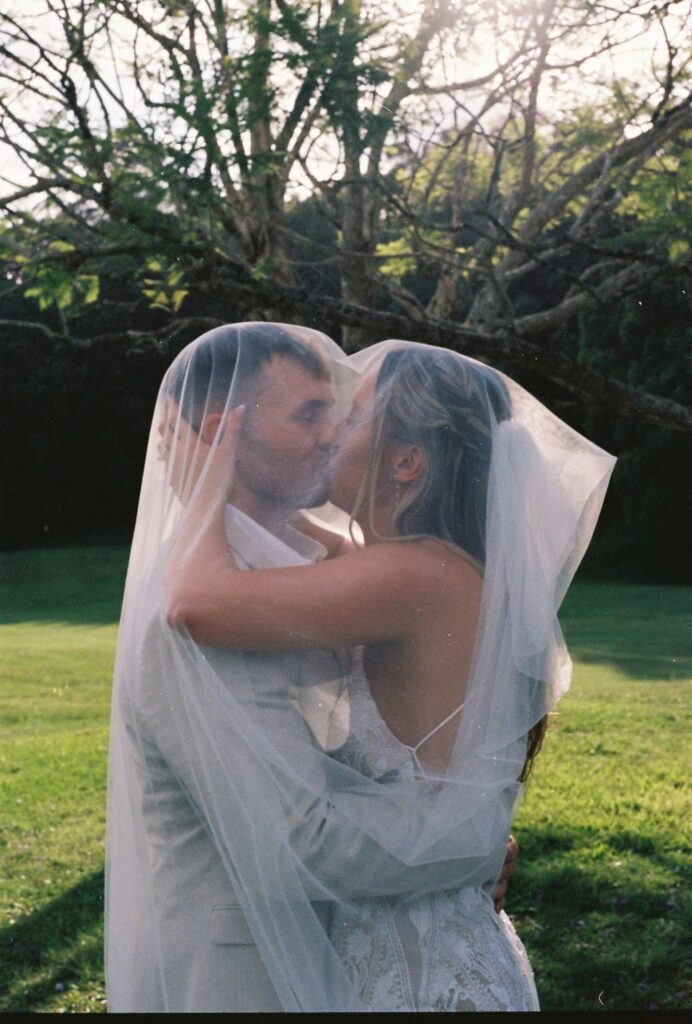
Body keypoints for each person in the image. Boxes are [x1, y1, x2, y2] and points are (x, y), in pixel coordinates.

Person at [165, 336, 616, 1011]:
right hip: (423, 945)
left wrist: (205, 480)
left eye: (351, 421)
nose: (330, 437)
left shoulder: (413, 576)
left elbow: (193, 603)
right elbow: (328, 549)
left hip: (422, 973)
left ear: (406, 461)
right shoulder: (433, 567)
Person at [106, 324, 518, 1013]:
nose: (333, 435)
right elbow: (302, 842)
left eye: (345, 413)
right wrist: (470, 845)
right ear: (224, 434)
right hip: (241, 985)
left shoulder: (328, 579)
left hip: (366, 958)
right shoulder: (192, 617)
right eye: (311, 414)